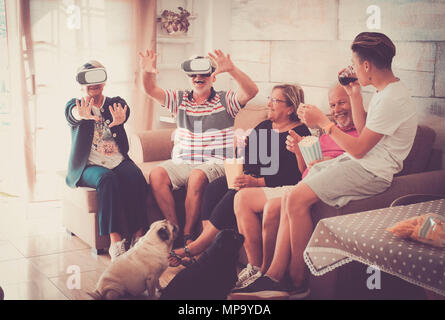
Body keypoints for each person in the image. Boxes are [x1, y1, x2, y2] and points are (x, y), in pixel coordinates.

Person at [231, 32, 418, 299]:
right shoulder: (384, 93)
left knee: (295, 198)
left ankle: (296, 282)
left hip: (371, 170)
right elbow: (365, 132)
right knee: (288, 197)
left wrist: (323, 122)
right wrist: (354, 93)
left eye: (355, 63)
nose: (353, 69)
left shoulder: (392, 99)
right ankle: (272, 276)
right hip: (361, 162)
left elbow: (359, 147)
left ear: (366, 66)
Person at [232, 83, 358, 291]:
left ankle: (281, 277)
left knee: (273, 206)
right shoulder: (327, 136)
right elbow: (305, 169)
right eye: (332, 105)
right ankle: (261, 272)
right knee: (240, 197)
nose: (336, 110)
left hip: (308, 188)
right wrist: (301, 152)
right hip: (303, 183)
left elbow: (303, 173)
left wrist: (319, 160)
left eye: (341, 103)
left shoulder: (355, 137)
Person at [168, 84, 311, 267]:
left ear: (290, 108)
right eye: (270, 98)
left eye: (275, 100)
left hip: (273, 184)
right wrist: (244, 159)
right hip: (253, 176)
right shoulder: (266, 125)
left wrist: (256, 181)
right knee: (214, 188)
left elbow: (292, 176)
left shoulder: (300, 133)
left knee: (235, 191)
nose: (269, 104)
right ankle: (210, 252)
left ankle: (197, 248)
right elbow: (249, 155)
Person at [139, 49, 258, 247]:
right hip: (184, 160)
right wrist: (147, 71)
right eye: (193, 74)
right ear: (189, 78)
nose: (198, 77)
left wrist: (232, 69)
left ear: (213, 77)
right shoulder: (180, 99)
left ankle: (187, 235)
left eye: (203, 73)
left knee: (196, 175)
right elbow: (150, 89)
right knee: (156, 174)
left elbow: (251, 91)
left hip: (217, 162)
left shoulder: (225, 100)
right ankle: (174, 230)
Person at [65, 61, 149, 261]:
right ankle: (115, 243)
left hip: (116, 159)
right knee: (107, 179)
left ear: (104, 82)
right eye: (88, 80)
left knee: (136, 176)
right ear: (81, 84)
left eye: (97, 79)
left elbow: (124, 111)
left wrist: (121, 119)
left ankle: (138, 236)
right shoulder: (76, 104)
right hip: (89, 166)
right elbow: (72, 115)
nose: (93, 85)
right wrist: (82, 114)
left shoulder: (114, 102)